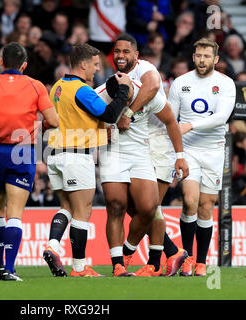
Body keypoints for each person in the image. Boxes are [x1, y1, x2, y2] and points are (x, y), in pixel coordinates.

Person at [95, 33, 188, 277]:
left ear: (136, 55)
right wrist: (100, 133)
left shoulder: (146, 79)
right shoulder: (104, 90)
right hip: (114, 153)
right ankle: (124, 263)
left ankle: (134, 251)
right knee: (118, 206)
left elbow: (168, 117)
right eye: (117, 52)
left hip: (151, 149)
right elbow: (84, 116)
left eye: (126, 52)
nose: (121, 56)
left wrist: (180, 155)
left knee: (148, 209)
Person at [0, 42, 59, 281]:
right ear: (24, 65)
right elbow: (54, 121)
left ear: (1, 63)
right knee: (15, 214)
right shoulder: (35, 85)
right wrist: (38, 127)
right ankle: (8, 268)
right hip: (21, 151)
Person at [42, 43, 132, 277]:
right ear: (83, 64)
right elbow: (110, 114)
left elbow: (73, 121)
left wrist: (101, 134)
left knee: (67, 208)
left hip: (54, 155)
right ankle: (80, 267)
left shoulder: (57, 87)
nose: (96, 69)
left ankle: (52, 246)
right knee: (84, 211)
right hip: (76, 157)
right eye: (94, 64)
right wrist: (123, 89)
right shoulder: (82, 91)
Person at [168, 38, 236, 276]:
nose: (202, 60)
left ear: (216, 59)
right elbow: (170, 119)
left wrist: (189, 125)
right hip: (188, 150)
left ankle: (201, 262)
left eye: (207, 56)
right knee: (189, 200)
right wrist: (175, 149)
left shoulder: (226, 84)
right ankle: (186, 257)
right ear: (193, 56)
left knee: (206, 206)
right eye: (198, 56)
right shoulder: (180, 83)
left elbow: (220, 117)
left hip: (214, 150)